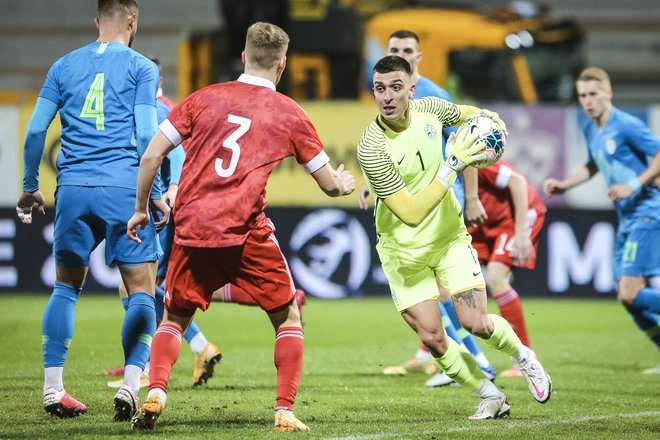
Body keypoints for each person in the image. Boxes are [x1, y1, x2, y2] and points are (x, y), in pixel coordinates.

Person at [128, 22, 355, 431]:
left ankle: (157, 390)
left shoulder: (203, 98)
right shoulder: (289, 112)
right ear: (283, 64)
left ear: (243, 57)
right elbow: (328, 184)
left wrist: (141, 208)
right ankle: (284, 410)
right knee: (287, 317)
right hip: (246, 230)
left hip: (193, 227)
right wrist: (344, 183)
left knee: (174, 318)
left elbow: (151, 156)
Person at [357, 55, 552, 420]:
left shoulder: (430, 108)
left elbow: (463, 113)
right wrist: (452, 166)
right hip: (402, 251)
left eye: (396, 88)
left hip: (448, 238)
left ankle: (523, 356)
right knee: (432, 337)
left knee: (474, 322)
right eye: (380, 89)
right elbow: (411, 213)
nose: (387, 97)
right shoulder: (371, 148)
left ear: (411, 90)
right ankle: (490, 395)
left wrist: (488, 118)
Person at [15, 0, 168, 421]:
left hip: (72, 190)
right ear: (133, 21)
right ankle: (131, 385)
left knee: (65, 288)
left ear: (97, 22)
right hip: (122, 188)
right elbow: (143, 132)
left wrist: (30, 187)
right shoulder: (142, 67)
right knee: (141, 291)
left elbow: (33, 131)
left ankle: (52, 388)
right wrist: (153, 192)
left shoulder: (63, 65)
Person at [357, 30, 496, 386]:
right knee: (432, 292)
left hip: (446, 194)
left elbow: (468, 144)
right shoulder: (390, 91)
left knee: (445, 289)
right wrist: (371, 184)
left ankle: (475, 358)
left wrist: (474, 196)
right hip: (414, 197)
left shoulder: (432, 96)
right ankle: (443, 354)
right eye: (394, 50)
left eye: (407, 50)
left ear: (419, 56)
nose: (401, 54)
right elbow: (392, 159)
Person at [107, 56, 224, 389]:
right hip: (162, 205)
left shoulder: (155, 109)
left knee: (141, 287)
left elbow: (176, 155)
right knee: (148, 287)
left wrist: (170, 189)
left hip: (160, 208)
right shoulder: (159, 106)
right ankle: (199, 347)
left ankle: (142, 367)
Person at [544, 67, 660, 371]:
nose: (587, 101)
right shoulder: (591, 128)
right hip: (627, 217)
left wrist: (633, 185)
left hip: (647, 212)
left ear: (608, 93)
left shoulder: (626, 124)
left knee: (630, 292)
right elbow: (593, 165)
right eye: (582, 95)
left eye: (593, 94)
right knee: (627, 299)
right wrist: (564, 184)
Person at [459, 159, 547, 379]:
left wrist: (521, 232)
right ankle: (429, 353)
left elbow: (517, 181)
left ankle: (525, 356)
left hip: (513, 217)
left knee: (496, 278)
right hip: (482, 224)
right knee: (445, 283)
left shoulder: (470, 159)